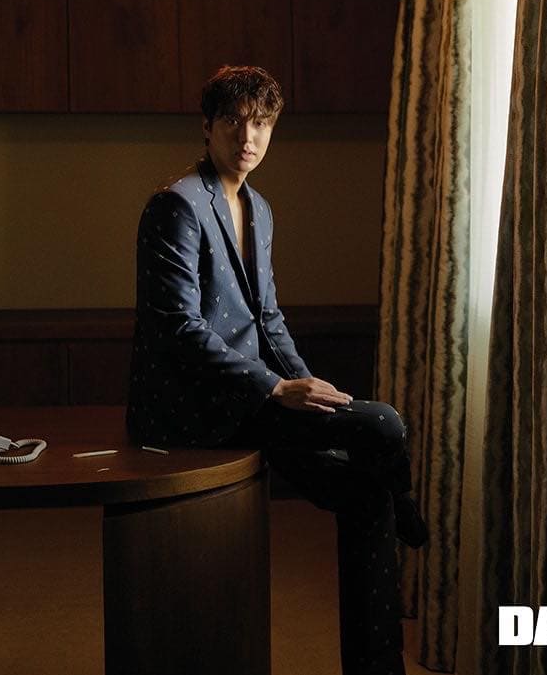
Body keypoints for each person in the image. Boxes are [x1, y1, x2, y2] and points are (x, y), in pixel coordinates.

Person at [127, 65, 426, 675]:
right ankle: (407, 501)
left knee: (365, 496)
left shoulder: (258, 208)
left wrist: (311, 386)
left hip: (257, 402)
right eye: (234, 122)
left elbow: (268, 318)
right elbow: (177, 328)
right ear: (207, 126)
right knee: (384, 424)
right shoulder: (176, 205)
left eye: (261, 124)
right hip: (197, 409)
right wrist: (276, 386)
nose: (248, 137)